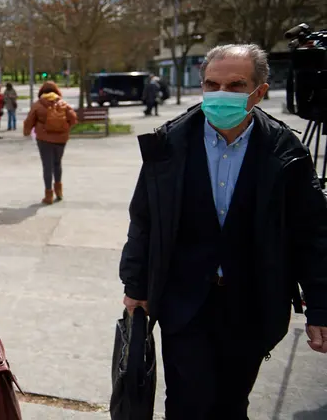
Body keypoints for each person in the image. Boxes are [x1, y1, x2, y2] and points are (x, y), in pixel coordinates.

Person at [119, 44, 327, 419]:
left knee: (231, 403)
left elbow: (312, 234)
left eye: (235, 85)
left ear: (259, 92)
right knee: (186, 402)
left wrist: (321, 306)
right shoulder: (168, 143)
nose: (221, 95)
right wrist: (135, 287)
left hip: (253, 304)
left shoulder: (285, 150)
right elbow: (144, 220)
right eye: (212, 84)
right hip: (184, 302)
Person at [23, 81, 77, 204]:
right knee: (57, 163)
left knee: (47, 165)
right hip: (61, 139)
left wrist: (26, 132)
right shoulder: (62, 103)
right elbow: (73, 119)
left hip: (44, 139)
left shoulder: (38, 104)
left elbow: (29, 121)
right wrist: (64, 128)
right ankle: (59, 192)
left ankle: (48, 195)